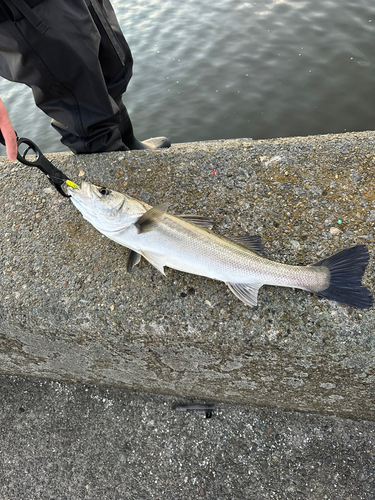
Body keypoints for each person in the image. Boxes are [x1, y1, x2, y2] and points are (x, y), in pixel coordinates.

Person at [0, 0, 171, 160]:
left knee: (112, 71)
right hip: (24, 10)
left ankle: (129, 146)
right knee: (84, 111)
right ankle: (115, 176)